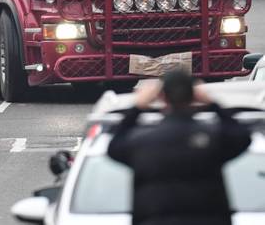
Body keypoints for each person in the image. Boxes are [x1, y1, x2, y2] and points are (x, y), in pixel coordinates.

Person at [107, 70, 252, 225]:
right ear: (195, 96)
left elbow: (114, 147)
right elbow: (242, 137)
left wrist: (137, 107)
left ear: (162, 97)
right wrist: (213, 104)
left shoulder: (143, 141)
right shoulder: (212, 138)